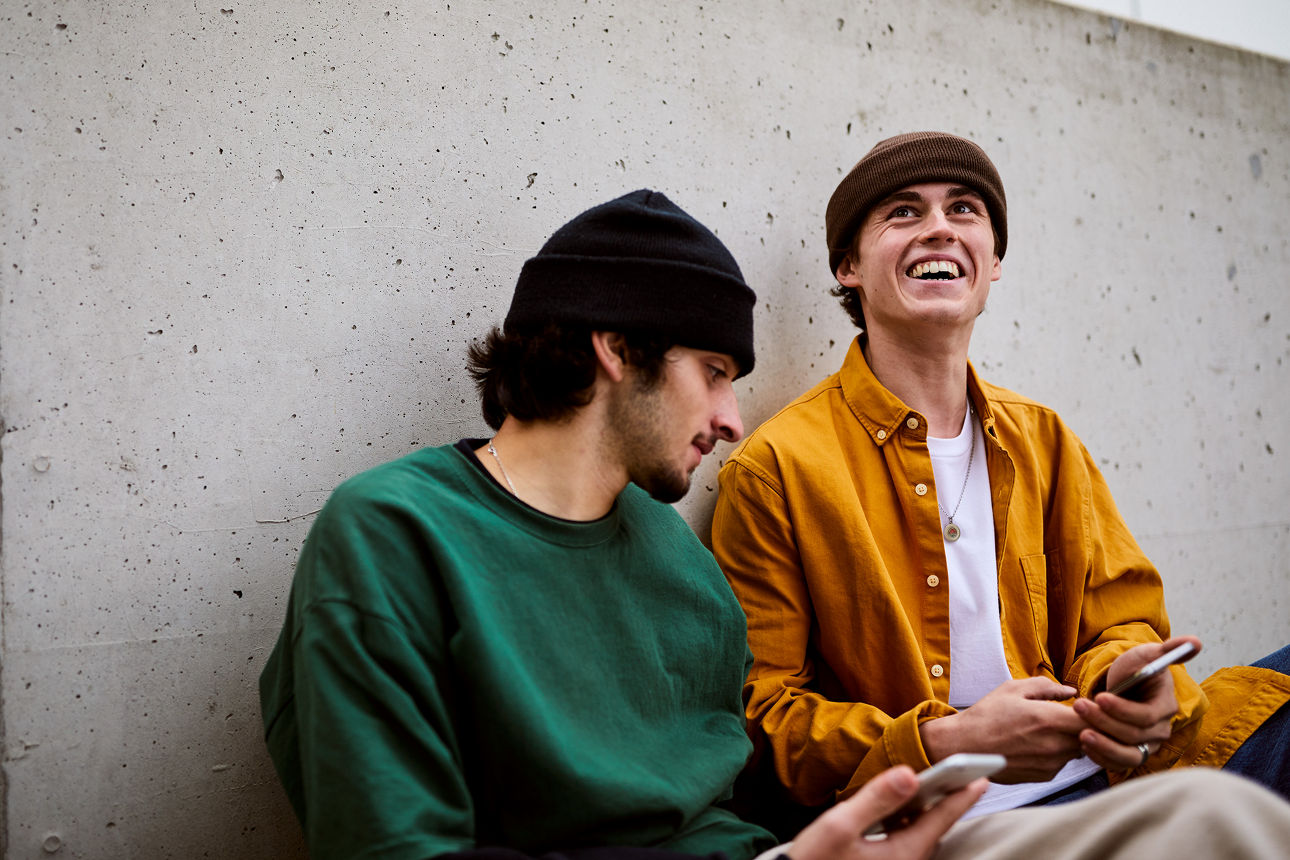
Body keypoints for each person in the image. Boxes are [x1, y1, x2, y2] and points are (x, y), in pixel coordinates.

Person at [258, 188, 1290, 860]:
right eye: (714, 372)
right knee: (1222, 819)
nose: (731, 418)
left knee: (1229, 813)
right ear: (616, 348)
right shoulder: (392, 534)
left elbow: (717, 802)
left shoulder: (670, 557)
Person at [711, 132, 1290, 821]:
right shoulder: (779, 467)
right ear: (848, 267)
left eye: (964, 210)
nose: (937, 229)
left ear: (993, 265)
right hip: (954, 817)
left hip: (1111, 776)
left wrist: (1127, 680)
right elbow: (762, 719)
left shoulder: (1043, 437)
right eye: (902, 213)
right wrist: (947, 742)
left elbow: (1121, 618)